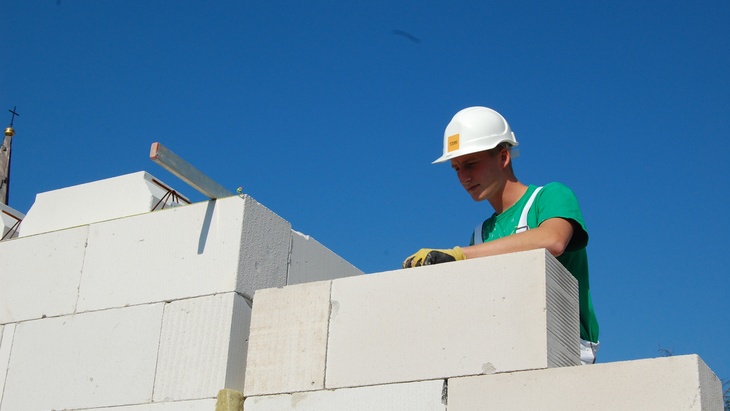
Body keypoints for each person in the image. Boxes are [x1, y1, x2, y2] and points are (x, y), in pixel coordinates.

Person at [402, 106, 600, 364]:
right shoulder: (480, 235)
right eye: (456, 168)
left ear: (504, 157)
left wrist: (460, 255)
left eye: (471, 164)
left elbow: (553, 240)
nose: (464, 177)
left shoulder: (549, 197)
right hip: (510, 346)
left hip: (567, 347)